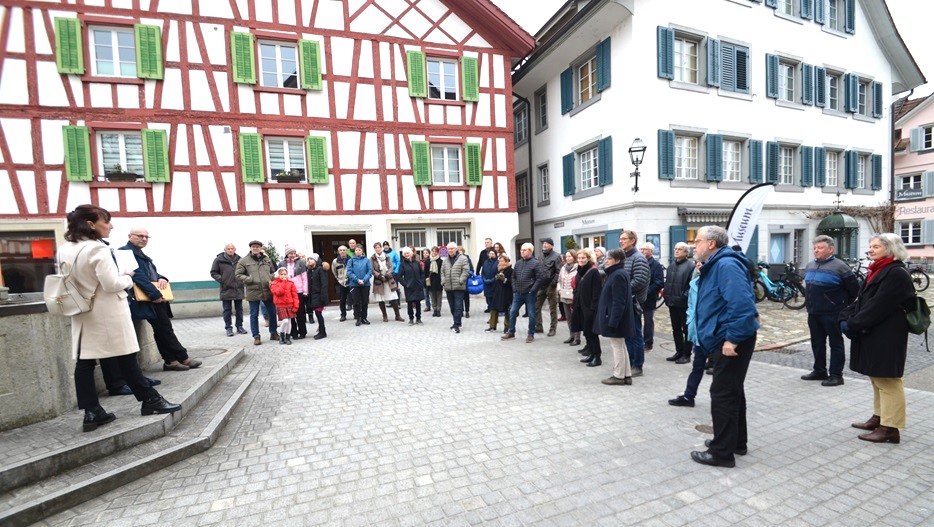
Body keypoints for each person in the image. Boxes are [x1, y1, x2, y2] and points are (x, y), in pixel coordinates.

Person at [58, 205, 180, 431]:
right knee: (126, 356)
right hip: (107, 311)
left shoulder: (66, 248)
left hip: (82, 311)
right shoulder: (97, 249)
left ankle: (92, 412)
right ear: (91, 224)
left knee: (84, 362)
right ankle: (150, 400)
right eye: (107, 221)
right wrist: (128, 277)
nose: (111, 225)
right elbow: (112, 284)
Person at [689, 226, 759, 468]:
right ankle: (735, 442)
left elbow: (742, 306)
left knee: (722, 395)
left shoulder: (726, 265)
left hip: (729, 339)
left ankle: (721, 453)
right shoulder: (716, 265)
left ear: (711, 244)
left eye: (697, 241)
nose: (693, 246)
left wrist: (732, 339)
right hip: (724, 336)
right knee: (732, 392)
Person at [843, 233, 915, 444]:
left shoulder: (896, 273)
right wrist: (845, 316)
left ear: (890, 249)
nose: (870, 250)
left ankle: (890, 428)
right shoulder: (877, 269)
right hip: (874, 332)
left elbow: (879, 306)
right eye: (870, 246)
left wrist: (854, 324)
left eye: (876, 246)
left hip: (887, 334)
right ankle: (879, 417)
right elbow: (861, 300)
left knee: (889, 380)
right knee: (877, 377)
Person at [122, 228, 202, 371]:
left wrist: (161, 277)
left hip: (151, 297)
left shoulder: (139, 253)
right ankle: (182, 357)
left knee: (161, 329)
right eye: (140, 236)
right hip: (146, 298)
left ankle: (171, 360)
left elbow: (150, 273)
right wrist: (155, 294)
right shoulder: (125, 252)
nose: (144, 239)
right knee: (164, 328)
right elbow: (138, 276)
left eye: (146, 237)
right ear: (130, 236)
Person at [801, 235, 859, 387]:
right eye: (815, 248)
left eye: (820, 248)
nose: (816, 250)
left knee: (836, 344)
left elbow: (854, 290)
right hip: (813, 312)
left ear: (831, 249)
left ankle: (836, 375)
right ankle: (819, 370)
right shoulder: (810, 265)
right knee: (817, 343)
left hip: (833, 312)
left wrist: (841, 305)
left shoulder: (840, 266)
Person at [669, 261, 707, 407]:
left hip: (713, 332)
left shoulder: (715, 283)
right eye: (698, 264)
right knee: (697, 367)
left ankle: (729, 401)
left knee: (723, 374)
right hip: (698, 331)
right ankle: (688, 396)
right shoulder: (695, 283)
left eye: (702, 264)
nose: (699, 266)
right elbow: (692, 305)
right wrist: (691, 322)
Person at [597, 248, 636, 383]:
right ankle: (626, 374)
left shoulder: (618, 274)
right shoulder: (617, 273)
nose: (606, 261)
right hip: (618, 318)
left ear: (617, 260)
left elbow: (618, 301)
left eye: (609, 258)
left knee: (617, 346)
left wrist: (613, 321)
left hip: (617, 318)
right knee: (621, 345)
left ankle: (619, 376)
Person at [235, 240, 279, 346]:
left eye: (257, 247)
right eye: (253, 247)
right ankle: (256, 336)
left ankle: (273, 333)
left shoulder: (267, 259)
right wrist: (249, 279)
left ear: (260, 248)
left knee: (272, 313)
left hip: (267, 290)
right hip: (253, 290)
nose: (255, 248)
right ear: (250, 248)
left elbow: (272, 271)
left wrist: (272, 279)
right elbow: (238, 275)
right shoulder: (243, 261)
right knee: (254, 315)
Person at [619, 231, 649, 376]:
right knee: (627, 334)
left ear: (633, 241)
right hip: (625, 301)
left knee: (635, 334)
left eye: (624, 239)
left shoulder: (639, 258)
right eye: (620, 239)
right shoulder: (624, 257)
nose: (621, 241)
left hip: (633, 302)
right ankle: (630, 362)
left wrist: (621, 289)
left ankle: (637, 365)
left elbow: (639, 280)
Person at [503, 243, 544, 343]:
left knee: (531, 314)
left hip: (530, 294)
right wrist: (514, 289)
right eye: (521, 250)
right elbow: (513, 277)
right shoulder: (518, 263)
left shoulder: (535, 263)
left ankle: (530, 334)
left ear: (530, 251)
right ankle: (511, 332)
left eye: (524, 250)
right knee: (512, 312)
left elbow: (539, 278)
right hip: (518, 293)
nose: (521, 252)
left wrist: (532, 290)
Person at [573, 249, 603, 366]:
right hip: (581, 306)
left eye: (583, 258)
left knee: (592, 333)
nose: (581, 260)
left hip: (589, 308)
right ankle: (591, 353)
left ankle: (597, 356)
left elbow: (597, 291)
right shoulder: (579, 271)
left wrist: (593, 308)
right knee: (586, 332)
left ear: (588, 258)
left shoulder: (593, 271)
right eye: (579, 258)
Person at [665, 242, 694, 364]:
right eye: (675, 249)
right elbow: (668, 283)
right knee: (675, 329)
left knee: (686, 329)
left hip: (683, 303)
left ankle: (686, 354)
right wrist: (666, 296)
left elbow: (692, 285)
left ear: (686, 252)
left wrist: (683, 297)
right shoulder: (671, 266)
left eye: (680, 249)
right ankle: (679, 351)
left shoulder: (691, 266)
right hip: (672, 302)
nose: (676, 251)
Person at [210, 243, 247, 337]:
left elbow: (245, 271)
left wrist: (242, 280)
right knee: (227, 310)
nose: (230, 250)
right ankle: (228, 328)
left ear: (235, 249)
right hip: (226, 288)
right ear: (225, 250)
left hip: (238, 288)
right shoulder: (219, 260)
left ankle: (239, 326)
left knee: (239, 309)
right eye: (228, 249)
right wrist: (222, 279)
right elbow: (213, 272)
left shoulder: (240, 259)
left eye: (232, 248)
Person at [279, 246, 308, 340]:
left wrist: (305, 291)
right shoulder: (282, 263)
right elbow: (279, 277)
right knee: (290, 314)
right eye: (290, 253)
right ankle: (293, 332)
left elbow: (304, 278)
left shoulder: (301, 262)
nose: (292, 255)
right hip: (287, 291)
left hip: (298, 291)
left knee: (300, 313)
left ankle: (302, 331)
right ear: (287, 254)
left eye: (294, 253)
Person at [534, 238, 562, 337]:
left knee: (552, 308)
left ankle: (552, 328)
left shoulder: (556, 256)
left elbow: (559, 271)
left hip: (551, 285)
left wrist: (554, 283)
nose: (544, 245)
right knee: (536, 306)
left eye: (546, 243)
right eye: (543, 243)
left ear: (551, 245)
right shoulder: (540, 256)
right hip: (541, 285)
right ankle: (538, 326)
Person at [640, 242, 665, 351]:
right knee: (636, 320)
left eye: (645, 249)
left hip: (649, 298)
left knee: (648, 321)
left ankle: (648, 343)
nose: (642, 251)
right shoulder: (639, 262)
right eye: (641, 249)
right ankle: (638, 340)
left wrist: (646, 291)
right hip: (637, 297)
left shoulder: (656, 265)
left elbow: (659, 282)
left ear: (651, 251)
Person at [441, 242, 470, 333]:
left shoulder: (463, 258)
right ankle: (458, 322)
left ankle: (456, 324)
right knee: (452, 307)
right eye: (448, 249)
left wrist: (460, 280)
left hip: (459, 287)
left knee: (458, 306)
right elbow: (442, 272)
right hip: (449, 287)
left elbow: (466, 271)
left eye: (452, 248)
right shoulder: (445, 260)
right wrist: (443, 281)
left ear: (456, 249)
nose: (450, 250)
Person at [370, 242, 403, 322]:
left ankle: (397, 315)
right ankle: (384, 315)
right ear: (375, 249)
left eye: (379, 247)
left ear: (381, 248)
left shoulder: (387, 256)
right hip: (379, 280)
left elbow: (391, 267)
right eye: (376, 248)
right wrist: (380, 276)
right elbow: (372, 270)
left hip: (388, 279)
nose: (377, 249)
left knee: (393, 297)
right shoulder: (372, 258)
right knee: (381, 299)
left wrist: (388, 275)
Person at [269, 268, 299, 345]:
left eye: (285, 274)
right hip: (281, 305)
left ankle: (288, 337)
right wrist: (283, 282)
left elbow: (295, 295)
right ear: (278, 275)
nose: (283, 276)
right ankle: (282, 336)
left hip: (290, 305)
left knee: (289, 322)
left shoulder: (291, 283)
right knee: (285, 321)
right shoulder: (274, 284)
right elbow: (278, 292)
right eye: (281, 274)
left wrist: (296, 306)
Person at [487, 254, 514, 332]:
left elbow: (511, 283)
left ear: (506, 262)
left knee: (507, 310)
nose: (500, 263)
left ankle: (507, 327)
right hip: (498, 292)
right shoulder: (499, 270)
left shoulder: (511, 270)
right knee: (493, 308)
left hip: (507, 293)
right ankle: (492, 326)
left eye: (502, 261)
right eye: (500, 261)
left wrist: (504, 279)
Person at [346, 245, 372, 325]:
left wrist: (364, 280)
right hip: (354, 284)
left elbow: (370, 271)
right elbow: (349, 272)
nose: (358, 251)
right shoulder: (351, 261)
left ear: (362, 251)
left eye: (359, 250)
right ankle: (358, 318)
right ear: (354, 251)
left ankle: (364, 317)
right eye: (356, 250)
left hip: (365, 284)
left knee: (364, 301)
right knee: (356, 302)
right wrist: (357, 280)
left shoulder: (367, 260)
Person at [558, 250, 579, 345]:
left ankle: (577, 338)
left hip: (574, 297)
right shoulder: (563, 268)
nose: (568, 258)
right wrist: (559, 290)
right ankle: (572, 336)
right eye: (566, 257)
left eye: (570, 256)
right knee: (568, 318)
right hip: (564, 296)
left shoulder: (578, 267)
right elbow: (559, 281)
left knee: (576, 318)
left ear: (574, 257)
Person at [399, 247, 425, 325]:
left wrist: (421, 282)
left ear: (411, 254)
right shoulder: (402, 264)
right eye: (405, 253)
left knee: (418, 303)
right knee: (410, 303)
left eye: (408, 253)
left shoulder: (417, 263)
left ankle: (418, 318)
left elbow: (422, 274)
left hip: (417, 286)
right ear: (404, 255)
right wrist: (405, 284)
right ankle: (411, 319)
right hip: (409, 287)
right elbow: (399, 277)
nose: (407, 255)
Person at [306, 253, 329, 339]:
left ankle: (323, 332)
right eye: (308, 260)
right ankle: (321, 330)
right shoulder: (310, 270)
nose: (309, 261)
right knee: (317, 313)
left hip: (319, 295)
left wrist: (323, 296)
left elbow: (324, 284)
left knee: (318, 313)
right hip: (313, 295)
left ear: (315, 260)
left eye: (311, 259)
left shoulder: (320, 270)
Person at [332, 245, 350, 322]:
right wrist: (339, 280)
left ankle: (356, 314)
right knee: (342, 300)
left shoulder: (351, 260)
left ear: (346, 251)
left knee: (355, 299)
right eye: (341, 250)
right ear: (339, 251)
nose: (342, 251)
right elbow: (334, 272)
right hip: (341, 283)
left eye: (344, 250)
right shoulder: (335, 261)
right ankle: (343, 315)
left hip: (351, 281)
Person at [480, 248, 498, 313]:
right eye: (490, 253)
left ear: (495, 255)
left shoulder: (497, 262)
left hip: (494, 283)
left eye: (493, 253)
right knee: (487, 297)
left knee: (493, 297)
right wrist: (484, 279)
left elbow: (498, 273)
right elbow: (483, 272)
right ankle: (489, 307)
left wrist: (492, 280)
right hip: (486, 283)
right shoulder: (486, 262)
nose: (491, 255)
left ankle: (493, 309)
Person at [420, 248, 433, 313]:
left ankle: (434, 305)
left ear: (429, 254)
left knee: (431, 293)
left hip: (429, 278)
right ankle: (428, 306)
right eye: (424, 253)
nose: (425, 254)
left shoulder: (431, 261)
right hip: (423, 279)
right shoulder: (421, 261)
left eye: (426, 253)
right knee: (426, 294)